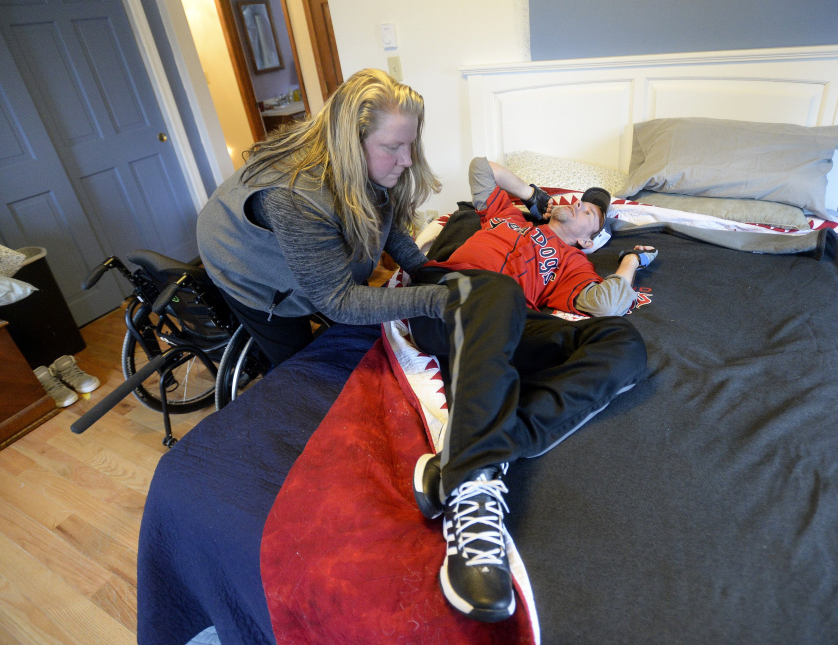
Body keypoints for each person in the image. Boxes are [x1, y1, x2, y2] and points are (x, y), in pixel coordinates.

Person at [408, 157, 657, 622]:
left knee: (625, 345)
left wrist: (627, 262)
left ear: (589, 238)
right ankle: (472, 493)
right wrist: (534, 197)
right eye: (579, 199)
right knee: (499, 291)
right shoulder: (507, 211)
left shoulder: (573, 263)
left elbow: (607, 304)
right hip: (445, 299)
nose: (577, 204)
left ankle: (467, 454)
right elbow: (483, 168)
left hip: (509, 321)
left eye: (588, 212)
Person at [197, 69, 449, 367]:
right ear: (352, 143)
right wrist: (438, 300)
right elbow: (339, 302)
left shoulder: (359, 163)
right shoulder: (295, 197)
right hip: (240, 259)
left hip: (302, 233)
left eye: (410, 145)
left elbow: (382, 218)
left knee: (362, 332)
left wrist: (425, 270)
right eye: (394, 147)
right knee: (301, 366)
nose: (407, 160)